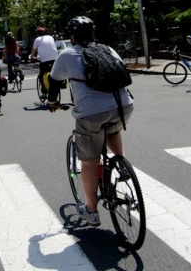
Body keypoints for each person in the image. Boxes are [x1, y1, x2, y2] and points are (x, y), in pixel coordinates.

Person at [50, 16, 133, 226]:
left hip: (91, 113)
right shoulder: (108, 50)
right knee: (113, 130)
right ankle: (122, 165)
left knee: (88, 162)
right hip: (123, 105)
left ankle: (91, 211)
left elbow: (54, 81)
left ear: (72, 36)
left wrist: (52, 102)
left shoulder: (67, 54)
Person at [30, 26, 60, 107]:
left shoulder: (37, 39)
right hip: (54, 59)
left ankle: (44, 93)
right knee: (54, 74)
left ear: (37, 33)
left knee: (42, 74)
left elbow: (33, 50)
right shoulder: (50, 37)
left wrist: (31, 57)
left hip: (44, 61)